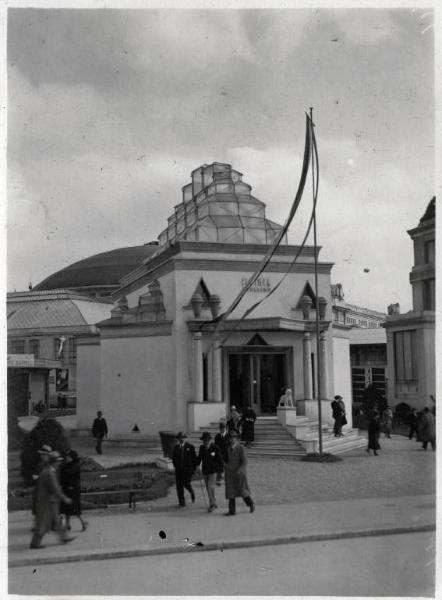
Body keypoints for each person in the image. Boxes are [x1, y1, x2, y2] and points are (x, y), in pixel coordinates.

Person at [29, 450, 76, 549]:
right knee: (42, 523)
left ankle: (63, 537)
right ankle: (35, 543)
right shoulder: (49, 473)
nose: (59, 463)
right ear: (53, 462)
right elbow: (54, 488)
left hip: (49, 501)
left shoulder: (48, 471)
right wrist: (65, 498)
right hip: (46, 502)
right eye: (57, 461)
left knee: (56, 521)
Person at [223, 430, 255, 516]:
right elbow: (225, 460)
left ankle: (251, 503)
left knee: (242, 491)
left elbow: (244, 461)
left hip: (239, 473)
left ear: (236, 438)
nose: (231, 440)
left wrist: (240, 470)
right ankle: (232, 510)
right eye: (230, 438)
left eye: (233, 438)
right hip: (230, 473)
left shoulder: (241, 448)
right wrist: (225, 466)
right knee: (231, 492)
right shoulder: (228, 449)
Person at [59, 450, 88, 532]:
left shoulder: (75, 466)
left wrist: (62, 470)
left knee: (75, 507)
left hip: (73, 489)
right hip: (66, 488)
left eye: (68, 457)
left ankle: (83, 522)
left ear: (72, 458)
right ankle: (67, 525)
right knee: (67, 508)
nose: (66, 458)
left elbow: (67, 474)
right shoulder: (67, 465)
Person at [196, 432, 223, 512]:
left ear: (209, 440)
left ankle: (212, 505)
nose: (205, 441)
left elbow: (220, 460)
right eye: (204, 440)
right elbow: (199, 458)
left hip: (213, 471)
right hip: (205, 471)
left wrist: (220, 472)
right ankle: (214, 502)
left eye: (207, 440)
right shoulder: (202, 448)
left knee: (210, 486)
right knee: (209, 488)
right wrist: (197, 465)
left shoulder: (215, 447)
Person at [171, 432, 197, 508]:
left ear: (184, 438)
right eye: (179, 438)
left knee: (186, 483)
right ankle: (182, 503)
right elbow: (174, 458)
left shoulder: (190, 447)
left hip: (187, 470)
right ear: (178, 439)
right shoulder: (176, 447)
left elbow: (194, 458)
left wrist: (193, 469)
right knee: (179, 487)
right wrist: (175, 466)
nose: (181, 439)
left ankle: (191, 491)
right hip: (179, 470)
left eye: (182, 437)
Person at [214, 421, 230, 486]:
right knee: (219, 468)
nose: (221, 429)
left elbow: (230, 445)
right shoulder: (217, 436)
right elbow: (215, 445)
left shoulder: (228, 436)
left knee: (227, 468)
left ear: (225, 428)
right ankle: (218, 480)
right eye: (220, 428)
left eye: (223, 428)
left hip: (227, 454)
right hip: (219, 454)